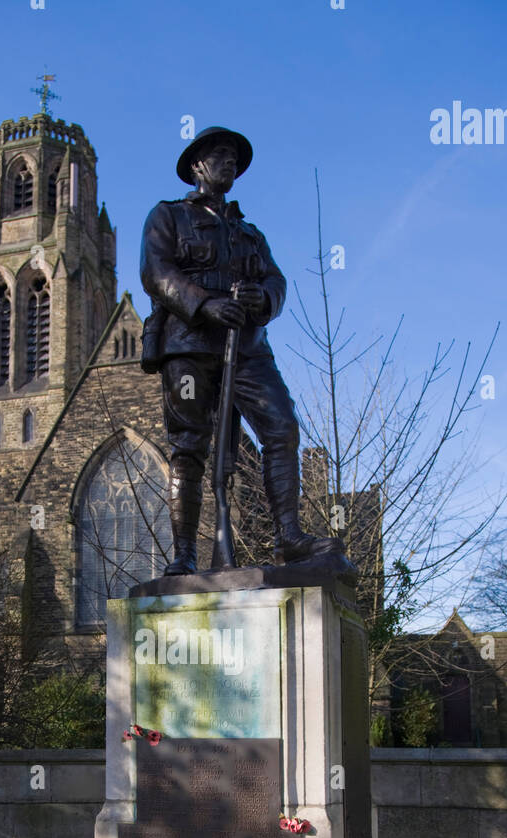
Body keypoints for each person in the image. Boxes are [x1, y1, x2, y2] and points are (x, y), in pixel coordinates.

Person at [140, 125, 355, 580]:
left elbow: (277, 282)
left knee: (281, 427)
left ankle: (290, 537)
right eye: (219, 154)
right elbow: (155, 272)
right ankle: (184, 555)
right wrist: (205, 303)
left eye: (234, 157)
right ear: (197, 166)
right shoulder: (168, 216)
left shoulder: (251, 234)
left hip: (249, 348)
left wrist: (264, 300)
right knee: (188, 448)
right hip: (190, 345)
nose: (229, 162)